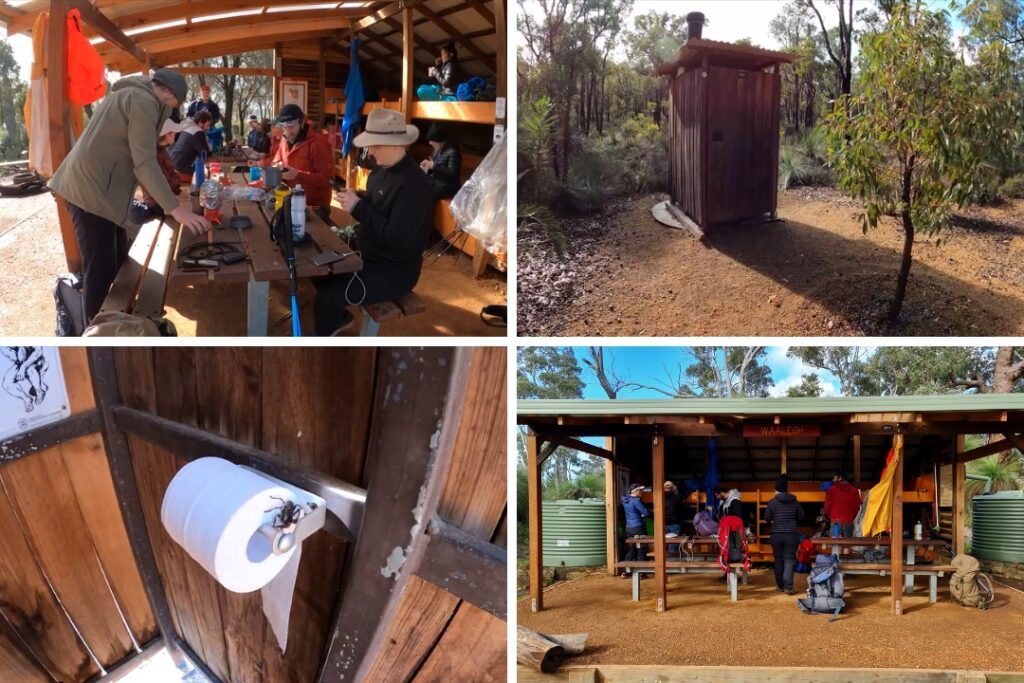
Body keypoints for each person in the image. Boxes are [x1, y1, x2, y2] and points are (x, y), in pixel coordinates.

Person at [49, 68, 210, 323]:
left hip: (96, 192)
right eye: (170, 105)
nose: (168, 111)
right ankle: (97, 333)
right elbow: (144, 161)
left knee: (118, 259)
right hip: (90, 194)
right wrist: (175, 208)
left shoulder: (130, 95)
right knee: (100, 270)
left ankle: (117, 320)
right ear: (166, 91)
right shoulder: (144, 101)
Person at [324, 109, 433, 335]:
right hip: (368, 251)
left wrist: (358, 207)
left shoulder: (415, 185)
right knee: (319, 272)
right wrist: (357, 199)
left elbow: (397, 238)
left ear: (396, 144)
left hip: (394, 270)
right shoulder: (379, 171)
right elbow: (377, 206)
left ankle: (325, 334)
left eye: (376, 145)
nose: (370, 152)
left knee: (327, 297)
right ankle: (338, 320)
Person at [270, 103, 334, 222]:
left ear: (302, 122)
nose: (288, 132)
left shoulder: (318, 142)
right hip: (290, 200)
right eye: (284, 127)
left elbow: (327, 180)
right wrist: (277, 166)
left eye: (292, 126)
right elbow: (276, 161)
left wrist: (297, 175)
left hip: (315, 207)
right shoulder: (285, 139)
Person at [128, 118, 182, 227]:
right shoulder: (155, 153)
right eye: (174, 133)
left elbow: (170, 177)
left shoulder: (161, 149)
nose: (176, 135)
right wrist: (177, 179)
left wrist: (177, 187)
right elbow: (166, 181)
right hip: (159, 203)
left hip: (162, 200)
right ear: (167, 134)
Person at [764, 474, 804, 595]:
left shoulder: (772, 502)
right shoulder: (794, 500)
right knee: (789, 560)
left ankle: (780, 586)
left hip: (776, 534)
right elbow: (802, 516)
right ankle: (788, 587)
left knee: (778, 560)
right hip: (791, 534)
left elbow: (766, 518)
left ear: (776, 489)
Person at [420, 123, 462, 200]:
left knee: (425, 192)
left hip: (448, 187)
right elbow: (435, 172)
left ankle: (427, 212)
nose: (430, 143)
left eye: (432, 140)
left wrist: (434, 166)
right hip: (437, 183)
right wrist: (427, 170)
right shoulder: (437, 150)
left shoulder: (452, 152)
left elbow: (453, 174)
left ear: (439, 140)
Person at [619, 484, 649, 579]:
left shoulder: (626, 501)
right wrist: (649, 513)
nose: (641, 492)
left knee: (632, 549)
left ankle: (625, 572)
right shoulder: (636, 501)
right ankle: (641, 572)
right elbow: (645, 512)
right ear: (635, 491)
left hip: (629, 528)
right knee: (642, 550)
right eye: (640, 490)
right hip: (638, 527)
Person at [170, 111, 212, 177]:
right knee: (210, 173)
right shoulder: (198, 132)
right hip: (182, 168)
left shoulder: (188, 128)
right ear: (200, 122)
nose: (208, 128)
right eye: (207, 125)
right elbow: (204, 154)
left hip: (174, 164)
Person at [825, 472, 862, 538]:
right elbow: (857, 507)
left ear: (840, 478)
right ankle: (846, 548)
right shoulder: (854, 490)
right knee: (848, 544)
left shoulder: (831, 490)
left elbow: (827, 506)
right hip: (849, 520)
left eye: (835, 478)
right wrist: (851, 517)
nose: (833, 480)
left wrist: (831, 516)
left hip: (835, 520)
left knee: (835, 544)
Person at [663, 480, 685, 554]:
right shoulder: (677, 497)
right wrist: (676, 491)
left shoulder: (660, 498)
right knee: (673, 546)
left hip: (664, 523)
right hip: (675, 523)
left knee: (663, 546)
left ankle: (663, 563)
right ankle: (672, 562)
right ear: (673, 488)